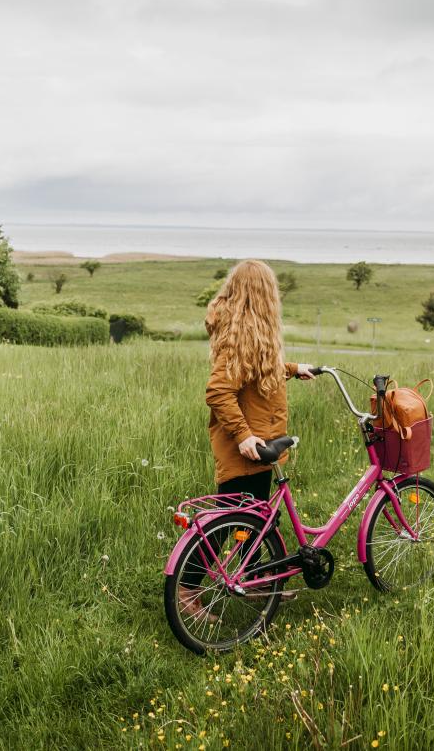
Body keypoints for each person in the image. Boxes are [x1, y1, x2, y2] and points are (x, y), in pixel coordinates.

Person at [178, 259, 313, 620]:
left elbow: (257, 368)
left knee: (257, 517)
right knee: (227, 519)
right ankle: (188, 589)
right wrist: (243, 436)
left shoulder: (248, 332)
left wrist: (293, 369)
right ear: (262, 294)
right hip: (247, 446)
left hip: (259, 442)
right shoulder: (241, 336)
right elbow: (219, 390)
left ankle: (253, 580)